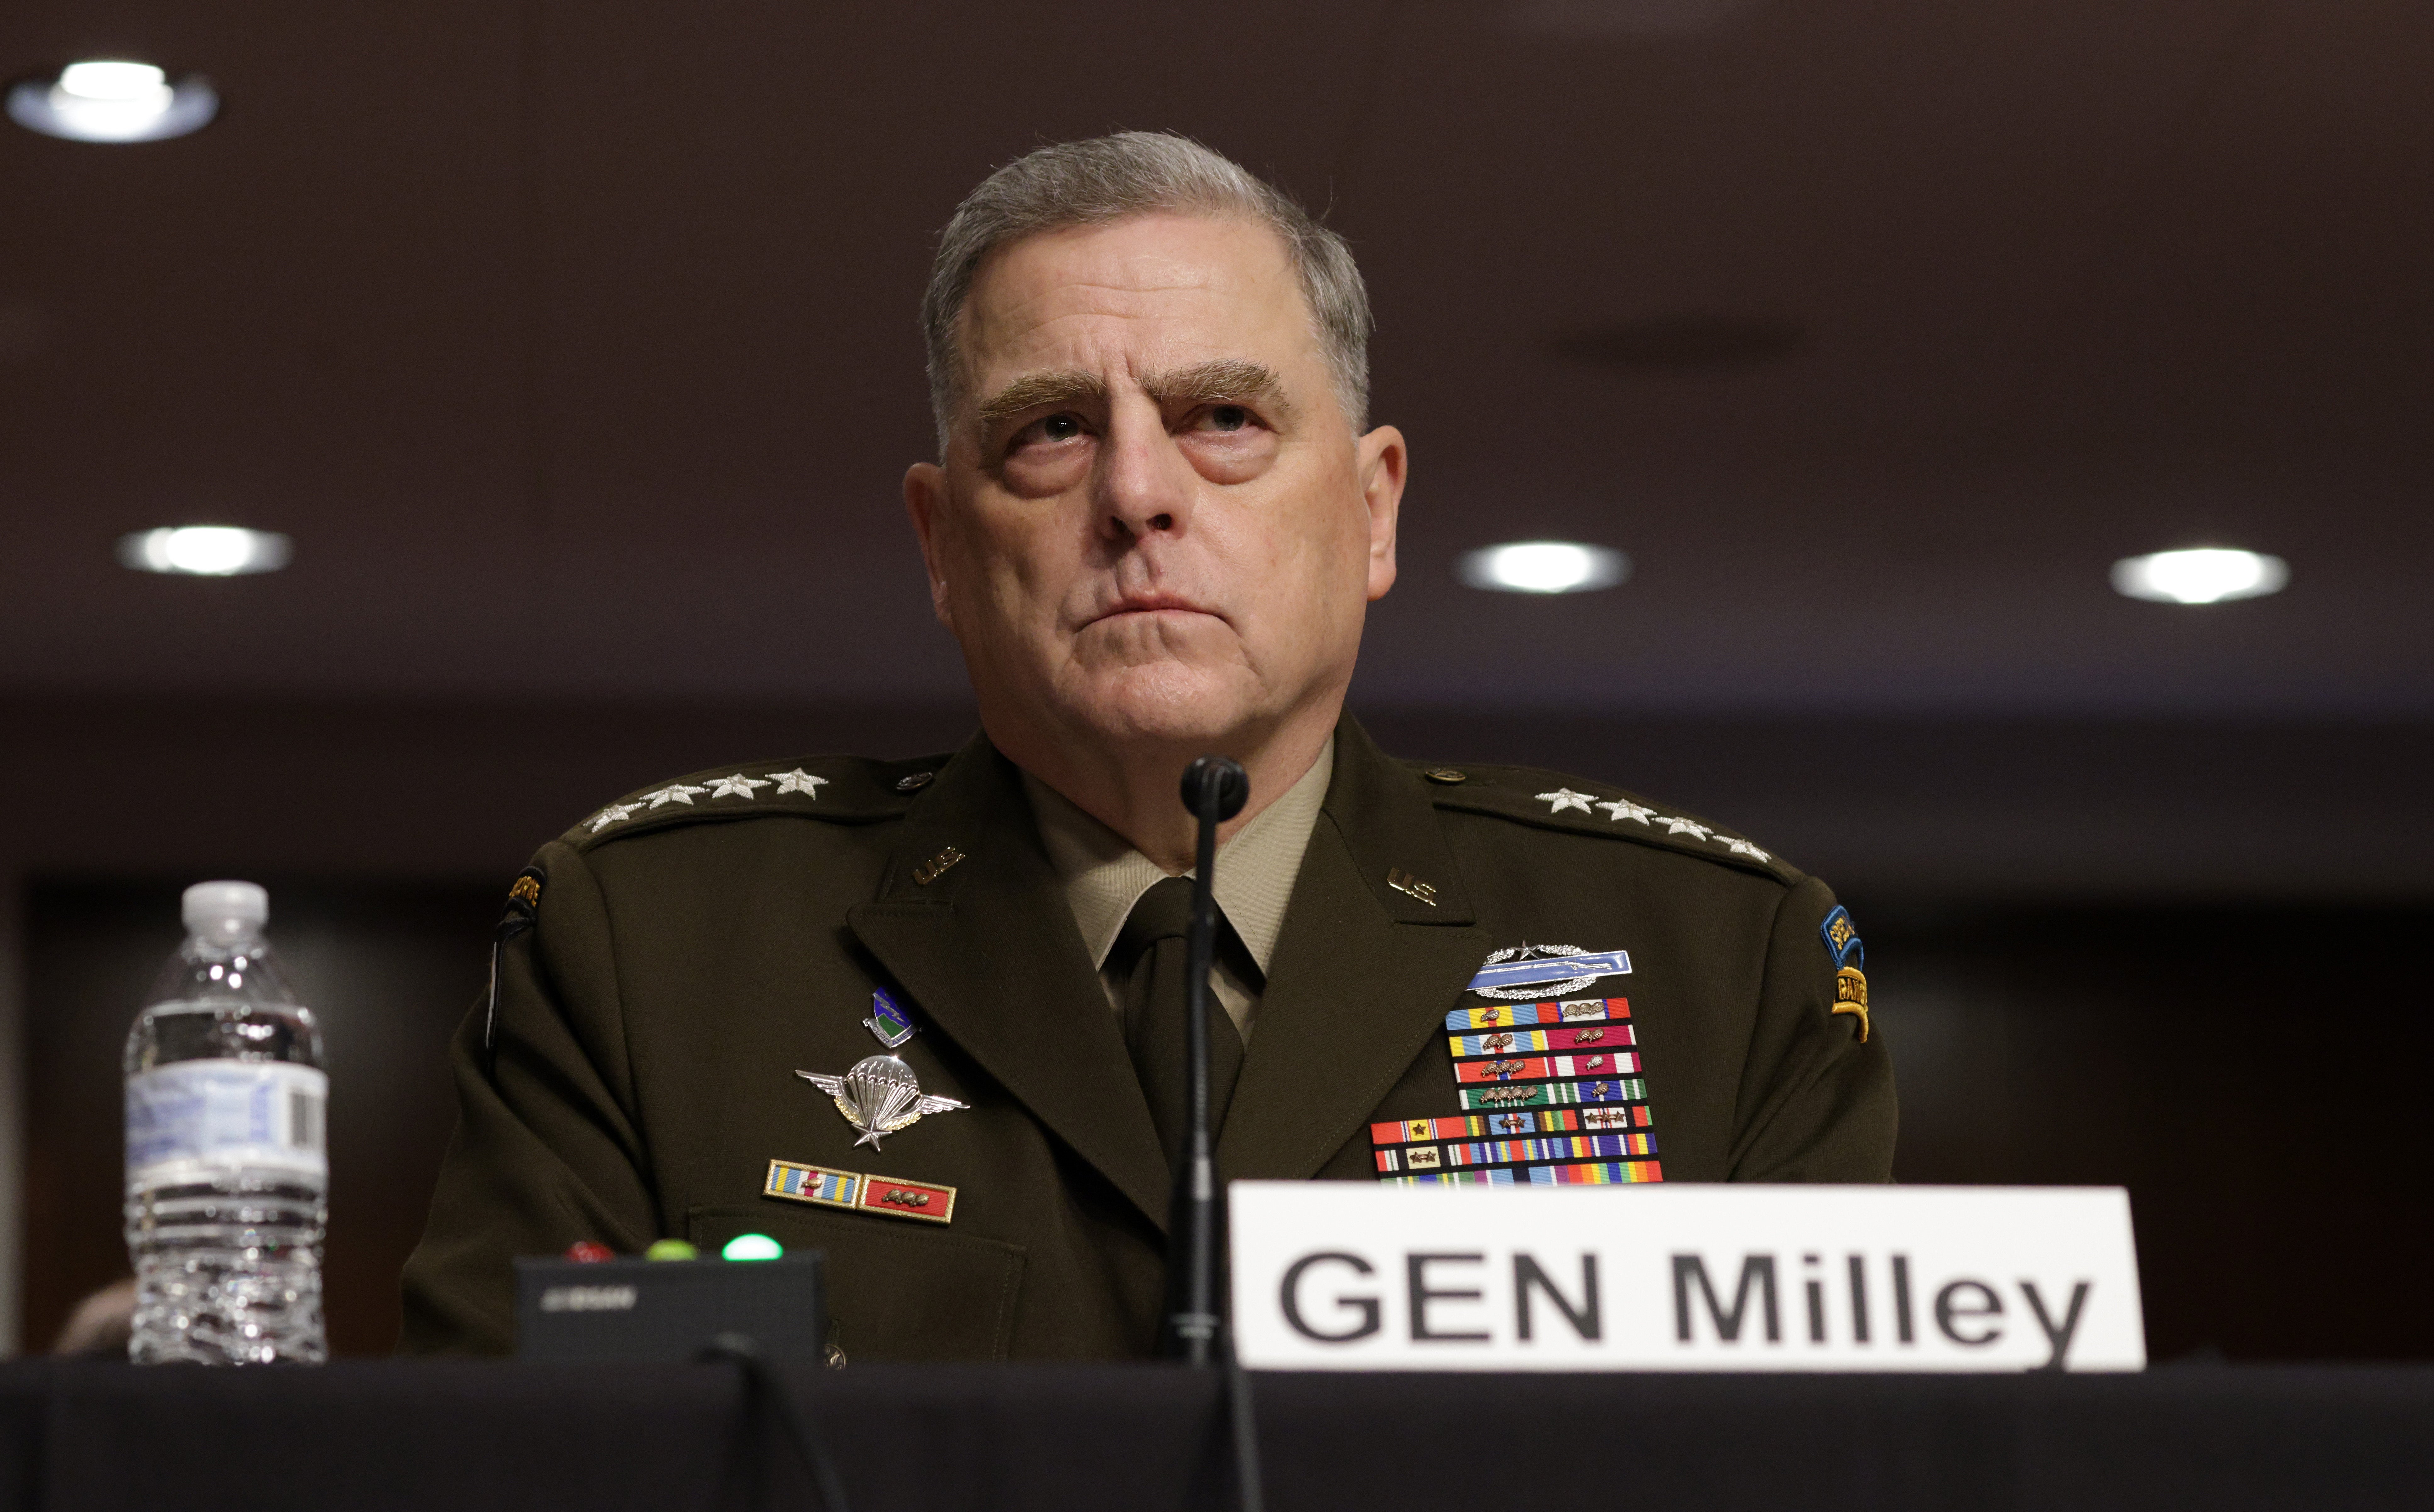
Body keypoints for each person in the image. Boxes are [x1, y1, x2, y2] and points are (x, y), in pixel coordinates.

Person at [400, 132, 1894, 1360]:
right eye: (1049, 429)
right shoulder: (656, 949)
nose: (1134, 491)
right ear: (940, 542)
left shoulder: (1717, 964)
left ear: (1373, 509)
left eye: (1224, 417)